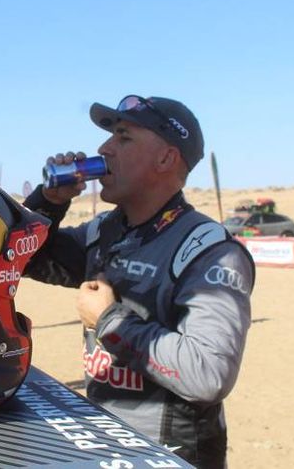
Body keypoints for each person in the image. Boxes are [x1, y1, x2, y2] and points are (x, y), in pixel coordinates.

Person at [22, 94, 254, 468]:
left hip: (170, 456)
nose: (104, 148)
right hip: (105, 445)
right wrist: (49, 201)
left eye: (124, 137)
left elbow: (209, 375)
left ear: (165, 159)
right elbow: (23, 258)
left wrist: (110, 321)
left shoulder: (208, 250)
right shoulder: (105, 231)